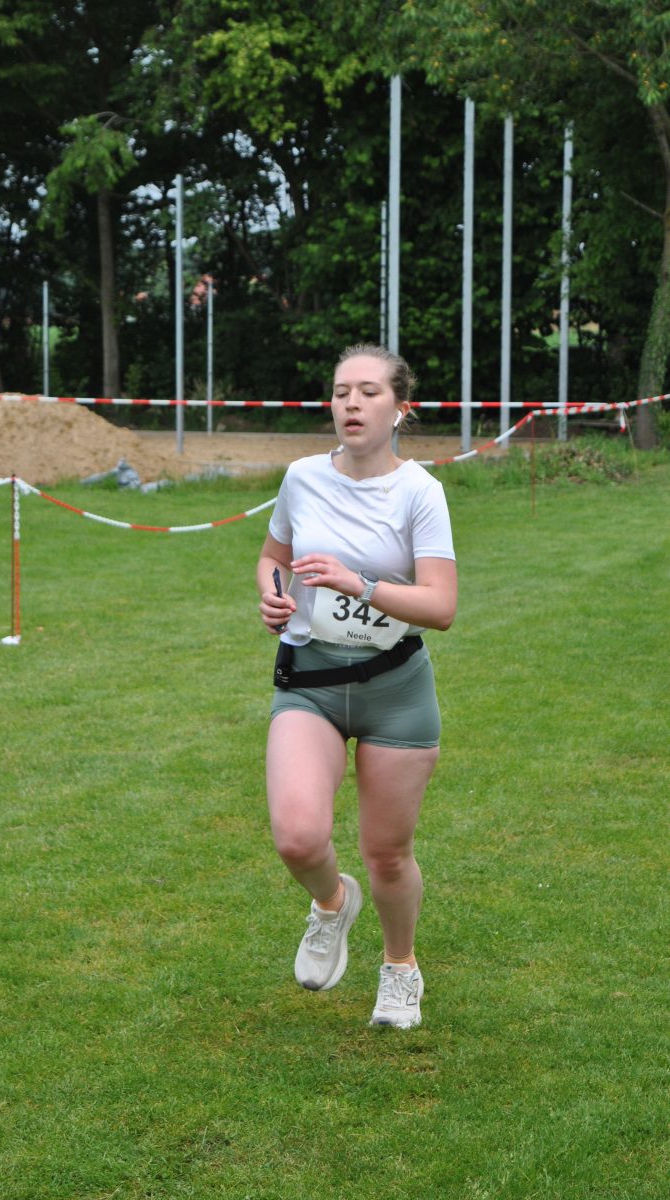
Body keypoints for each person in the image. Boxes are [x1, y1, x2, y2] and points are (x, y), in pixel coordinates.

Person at [255, 343, 457, 1029]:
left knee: (387, 855)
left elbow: (441, 606)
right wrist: (273, 594)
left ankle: (400, 968)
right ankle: (331, 904)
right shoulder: (301, 477)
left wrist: (360, 585)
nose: (351, 403)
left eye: (368, 392)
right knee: (297, 838)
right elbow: (273, 556)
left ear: (400, 409)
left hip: (394, 688)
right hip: (309, 679)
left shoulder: (420, 492)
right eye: (342, 392)